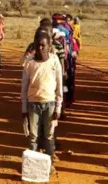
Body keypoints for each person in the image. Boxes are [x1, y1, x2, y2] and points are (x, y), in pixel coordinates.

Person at [21, 31, 63, 171]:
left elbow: (59, 85)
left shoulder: (54, 61)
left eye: (43, 45)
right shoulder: (29, 62)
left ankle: (49, 165)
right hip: (33, 103)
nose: (40, 48)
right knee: (33, 136)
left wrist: (58, 107)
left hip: (50, 104)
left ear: (49, 46)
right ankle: (32, 165)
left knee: (49, 136)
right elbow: (24, 86)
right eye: (38, 45)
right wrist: (24, 107)